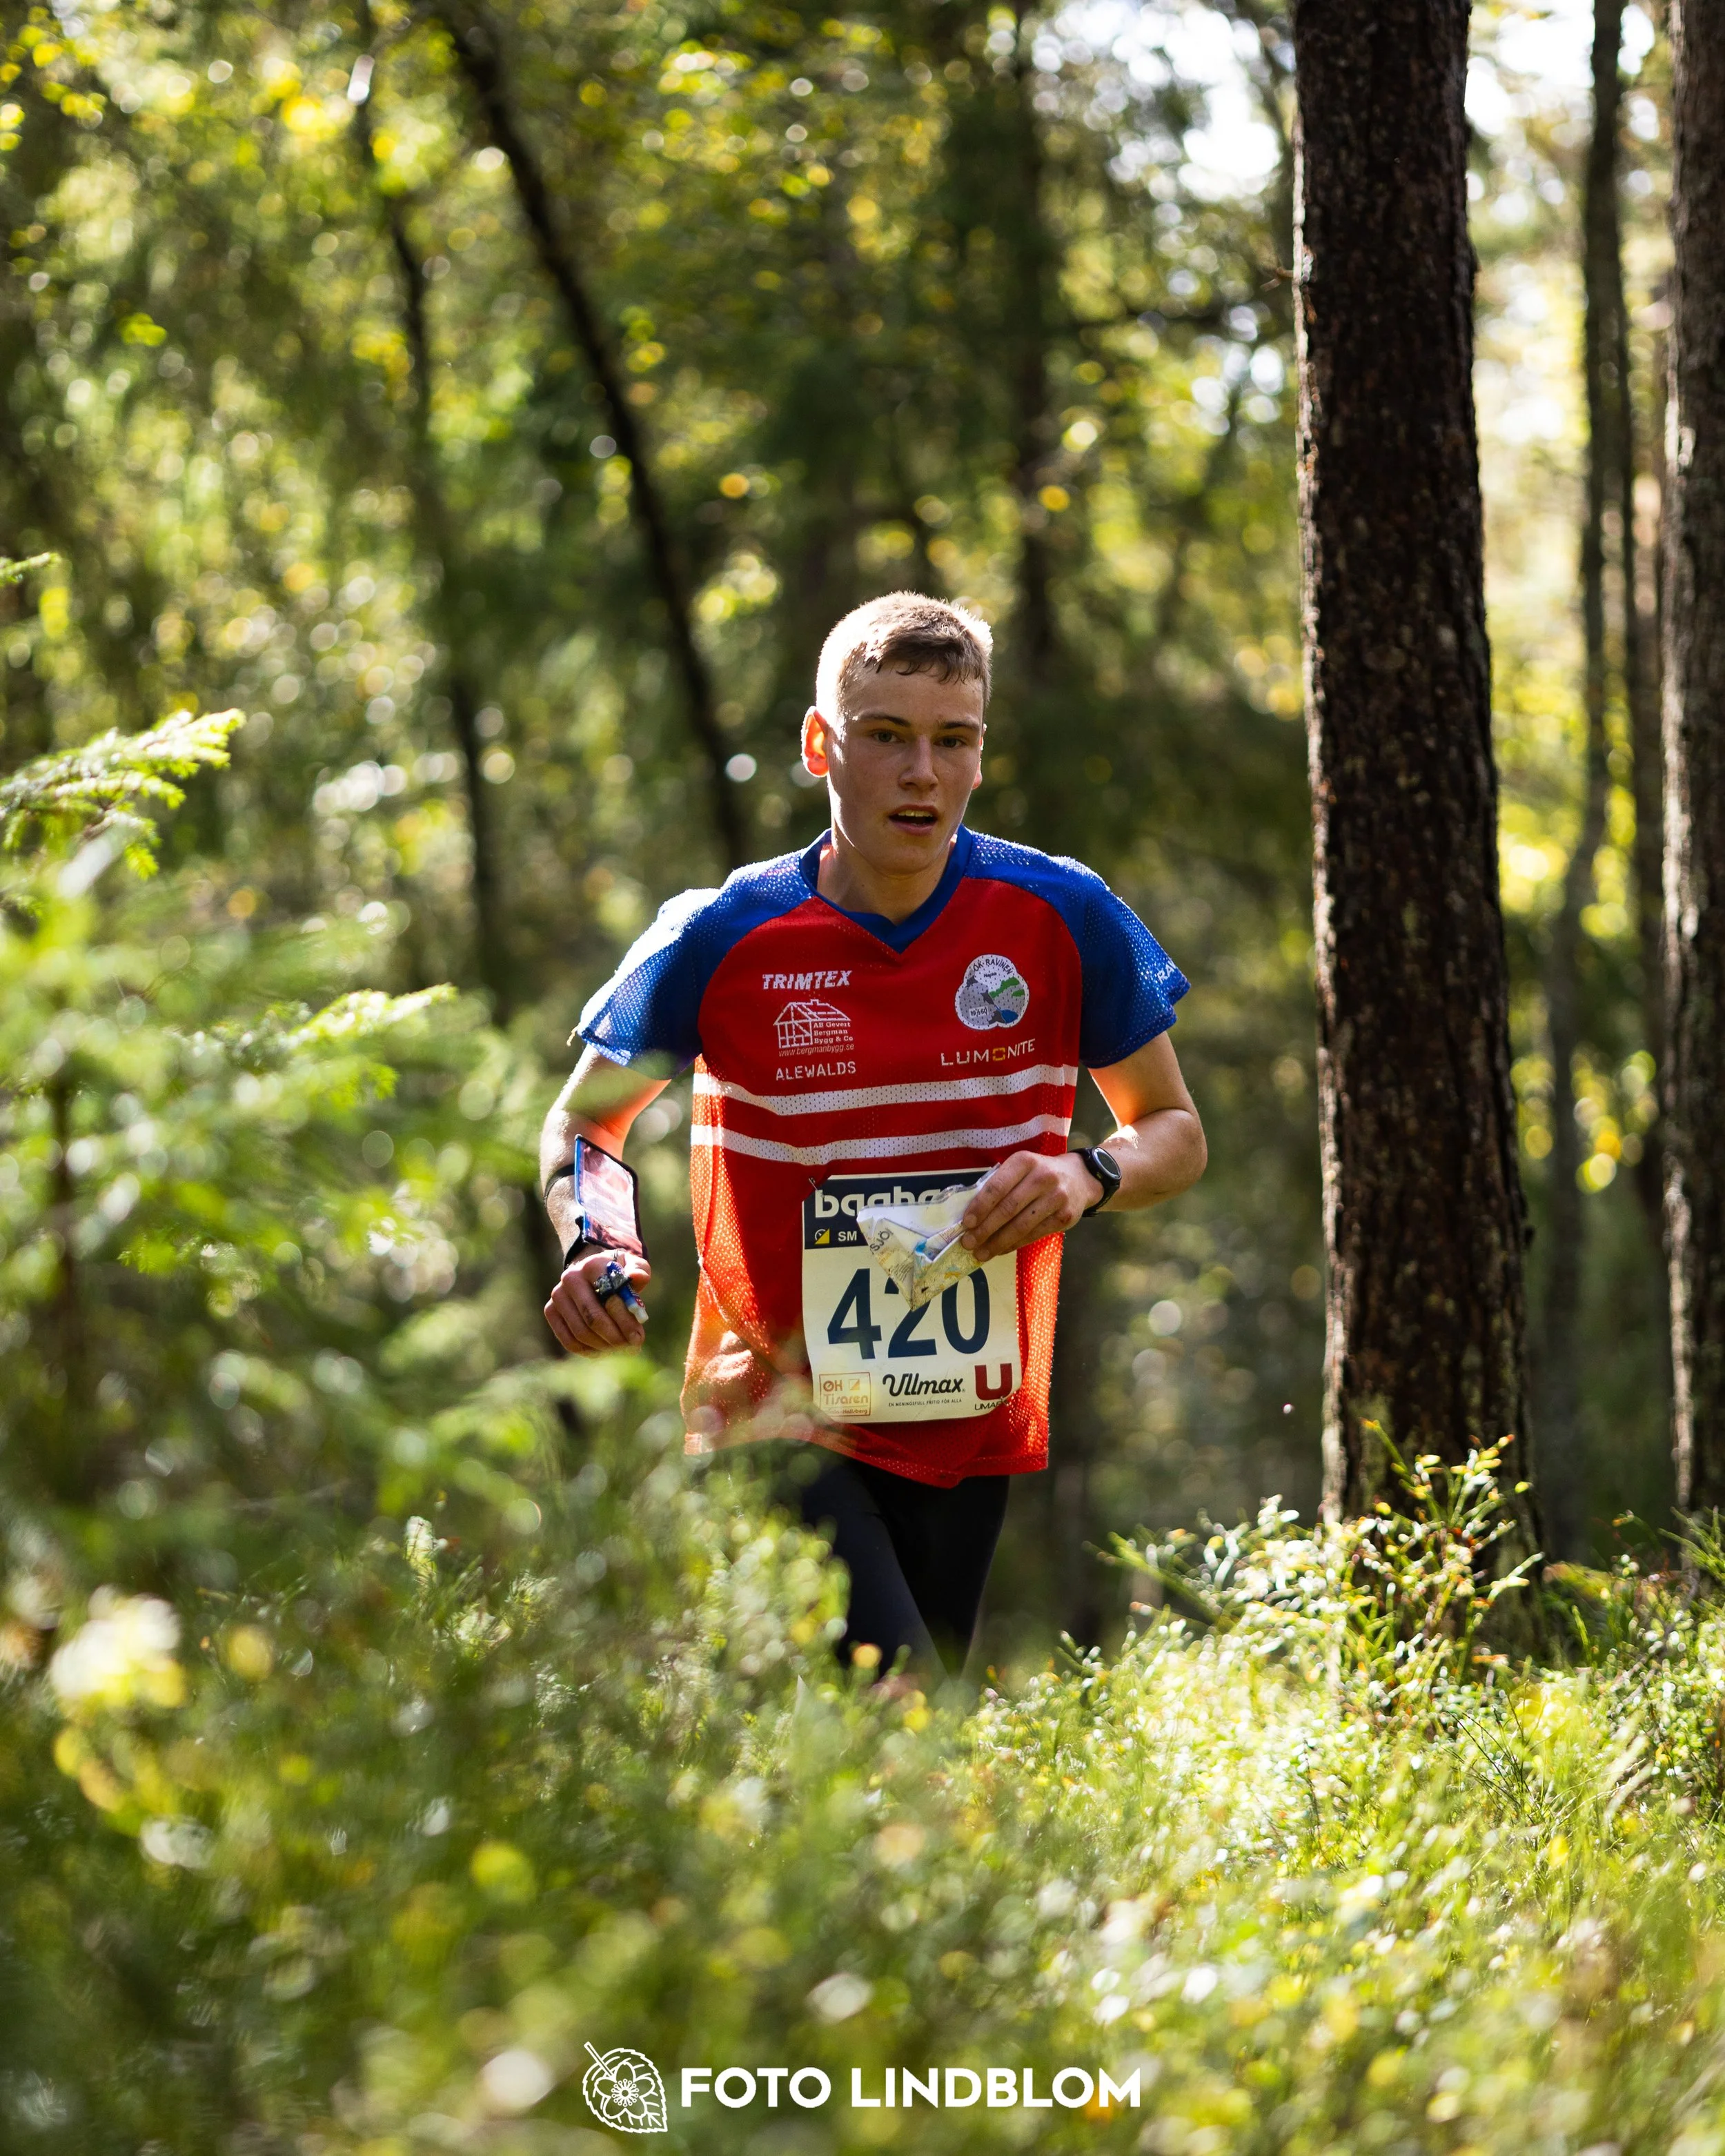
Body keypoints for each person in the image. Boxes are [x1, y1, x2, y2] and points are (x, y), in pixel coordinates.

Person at [541, 592, 1205, 1680]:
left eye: (954, 741)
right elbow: (587, 1121)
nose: (922, 774)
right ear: (821, 745)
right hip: (770, 1404)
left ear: (981, 754)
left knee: (897, 1739)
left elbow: (1173, 1130)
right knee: (893, 1697)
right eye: (887, 737)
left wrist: (1089, 1175)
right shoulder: (722, 932)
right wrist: (594, 1241)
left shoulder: (1064, 914)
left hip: (965, 1408)